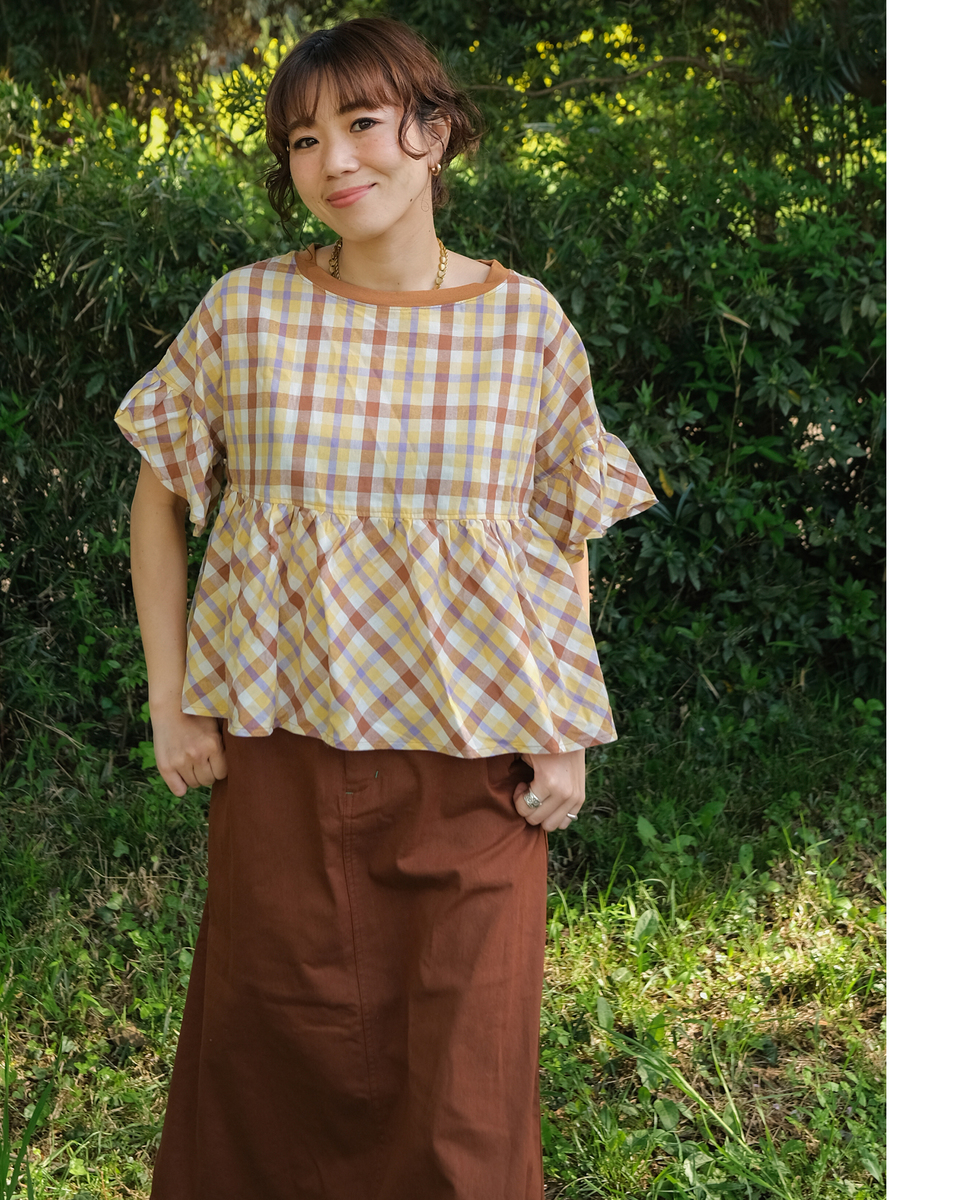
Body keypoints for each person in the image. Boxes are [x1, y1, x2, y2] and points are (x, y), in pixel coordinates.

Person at [115, 16, 656, 1200]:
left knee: (467, 1091)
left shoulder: (526, 323)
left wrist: (563, 725)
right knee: (267, 1068)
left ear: (437, 131)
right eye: (304, 139)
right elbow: (158, 501)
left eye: (362, 123)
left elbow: (559, 540)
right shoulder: (246, 312)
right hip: (281, 760)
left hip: (476, 773)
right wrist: (170, 700)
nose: (335, 160)